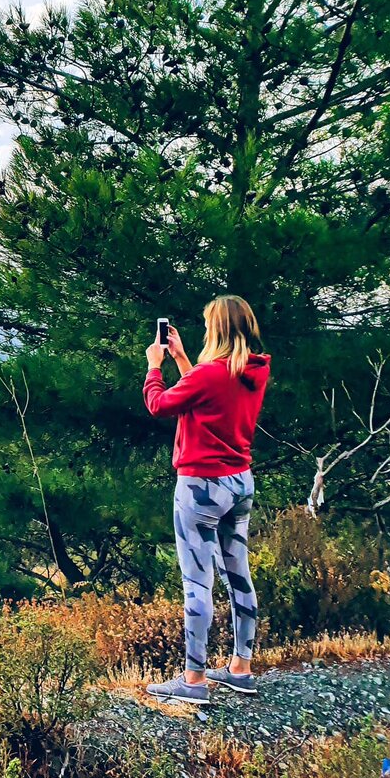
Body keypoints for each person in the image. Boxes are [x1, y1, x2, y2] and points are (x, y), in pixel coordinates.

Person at [141, 295, 271, 705]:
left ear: (216, 329)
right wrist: (183, 360)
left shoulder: (211, 374)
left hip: (201, 486)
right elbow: (205, 395)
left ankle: (194, 679)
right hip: (240, 482)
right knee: (238, 574)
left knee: (197, 581)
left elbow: (159, 405)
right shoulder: (255, 370)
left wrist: (155, 365)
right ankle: (241, 668)